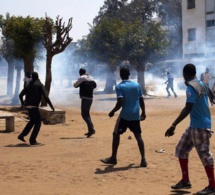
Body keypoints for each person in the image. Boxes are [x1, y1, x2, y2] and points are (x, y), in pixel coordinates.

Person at [165, 64, 215, 195]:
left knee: (205, 155)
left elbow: (188, 108)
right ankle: (185, 181)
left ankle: (212, 186)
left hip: (200, 127)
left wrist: (173, 125)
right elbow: (210, 95)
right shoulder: (200, 83)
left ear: (185, 74)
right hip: (194, 126)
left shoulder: (191, 87)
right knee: (181, 150)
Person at [100, 66, 147, 167]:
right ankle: (143, 159)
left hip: (125, 115)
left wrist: (112, 111)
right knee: (138, 136)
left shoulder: (119, 86)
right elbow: (141, 99)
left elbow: (120, 101)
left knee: (116, 134)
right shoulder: (136, 85)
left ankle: (113, 158)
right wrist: (143, 112)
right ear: (129, 74)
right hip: (135, 115)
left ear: (120, 75)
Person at [18, 72, 55, 145]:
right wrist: (51, 106)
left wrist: (23, 103)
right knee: (38, 123)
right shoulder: (40, 85)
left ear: (32, 77)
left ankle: (22, 135)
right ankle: (32, 140)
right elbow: (46, 96)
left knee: (32, 121)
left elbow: (20, 95)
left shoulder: (28, 85)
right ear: (38, 77)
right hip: (34, 107)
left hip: (28, 106)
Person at [73, 68, 97, 138]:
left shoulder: (82, 78)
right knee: (87, 114)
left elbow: (75, 85)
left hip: (85, 98)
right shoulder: (91, 77)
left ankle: (91, 129)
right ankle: (90, 129)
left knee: (84, 114)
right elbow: (95, 85)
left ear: (80, 72)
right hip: (90, 98)